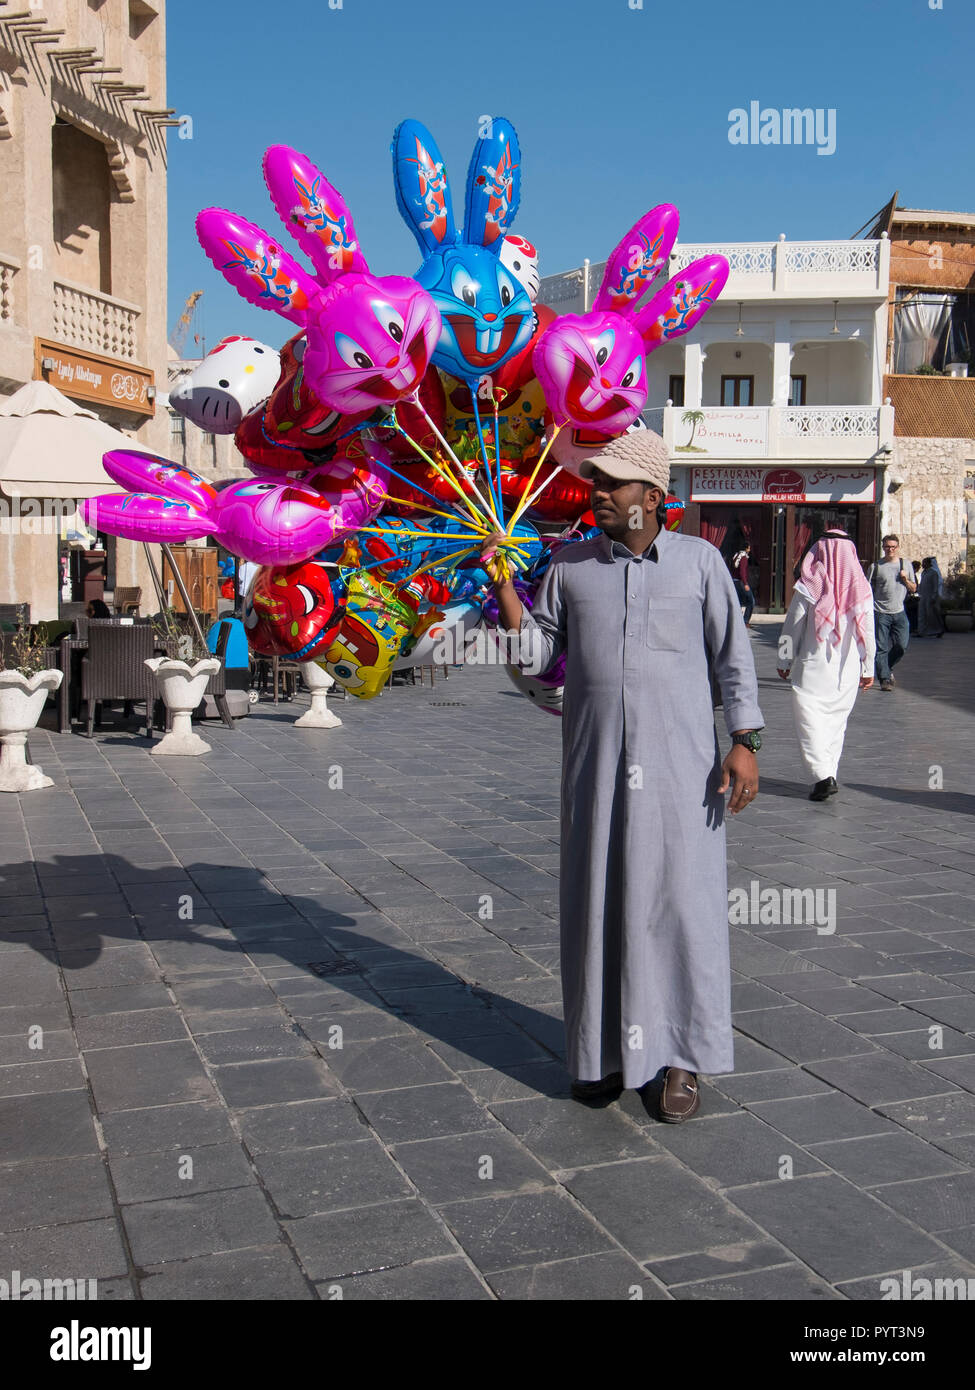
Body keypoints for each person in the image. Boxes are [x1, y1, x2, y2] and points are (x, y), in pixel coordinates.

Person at [482, 430, 763, 1122]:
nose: (597, 493)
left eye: (610, 483)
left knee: (680, 908)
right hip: (595, 767)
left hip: (683, 773)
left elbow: (733, 657)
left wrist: (744, 741)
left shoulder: (699, 564)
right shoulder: (570, 565)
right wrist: (504, 589)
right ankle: (600, 1055)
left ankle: (677, 1061)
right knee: (597, 903)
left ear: (651, 495)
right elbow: (537, 659)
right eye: (594, 482)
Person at [777, 530, 875, 801]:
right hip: (848, 668)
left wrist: (784, 658)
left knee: (810, 718)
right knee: (835, 722)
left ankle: (823, 775)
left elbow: (792, 626)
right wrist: (868, 668)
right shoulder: (861, 588)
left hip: (814, 666)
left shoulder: (810, 585)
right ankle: (827, 774)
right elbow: (868, 631)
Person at [868, 534, 915, 692]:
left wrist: (905, 579)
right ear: (883, 547)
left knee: (901, 645)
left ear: (898, 547)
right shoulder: (876, 567)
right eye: (887, 546)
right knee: (881, 647)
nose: (890, 550)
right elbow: (867, 590)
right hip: (880, 611)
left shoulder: (905, 565)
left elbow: (914, 588)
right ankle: (885, 679)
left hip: (899, 611)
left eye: (893, 547)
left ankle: (886, 667)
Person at [917, 557, 945, 638]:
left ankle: (938, 630)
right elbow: (922, 583)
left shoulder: (933, 573)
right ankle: (921, 632)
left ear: (929, 563)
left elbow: (935, 586)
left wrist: (933, 597)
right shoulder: (923, 573)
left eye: (924, 563)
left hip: (930, 597)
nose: (923, 565)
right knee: (922, 614)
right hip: (923, 596)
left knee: (931, 615)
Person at [731, 543, 754, 627]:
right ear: (746, 548)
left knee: (739, 601)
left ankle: (737, 621)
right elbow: (742, 572)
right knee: (751, 601)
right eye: (749, 548)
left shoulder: (736, 555)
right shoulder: (743, 557)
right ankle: (745, 621)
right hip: (741, 582)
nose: (750, 549)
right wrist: (745, 583)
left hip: (735, 581)